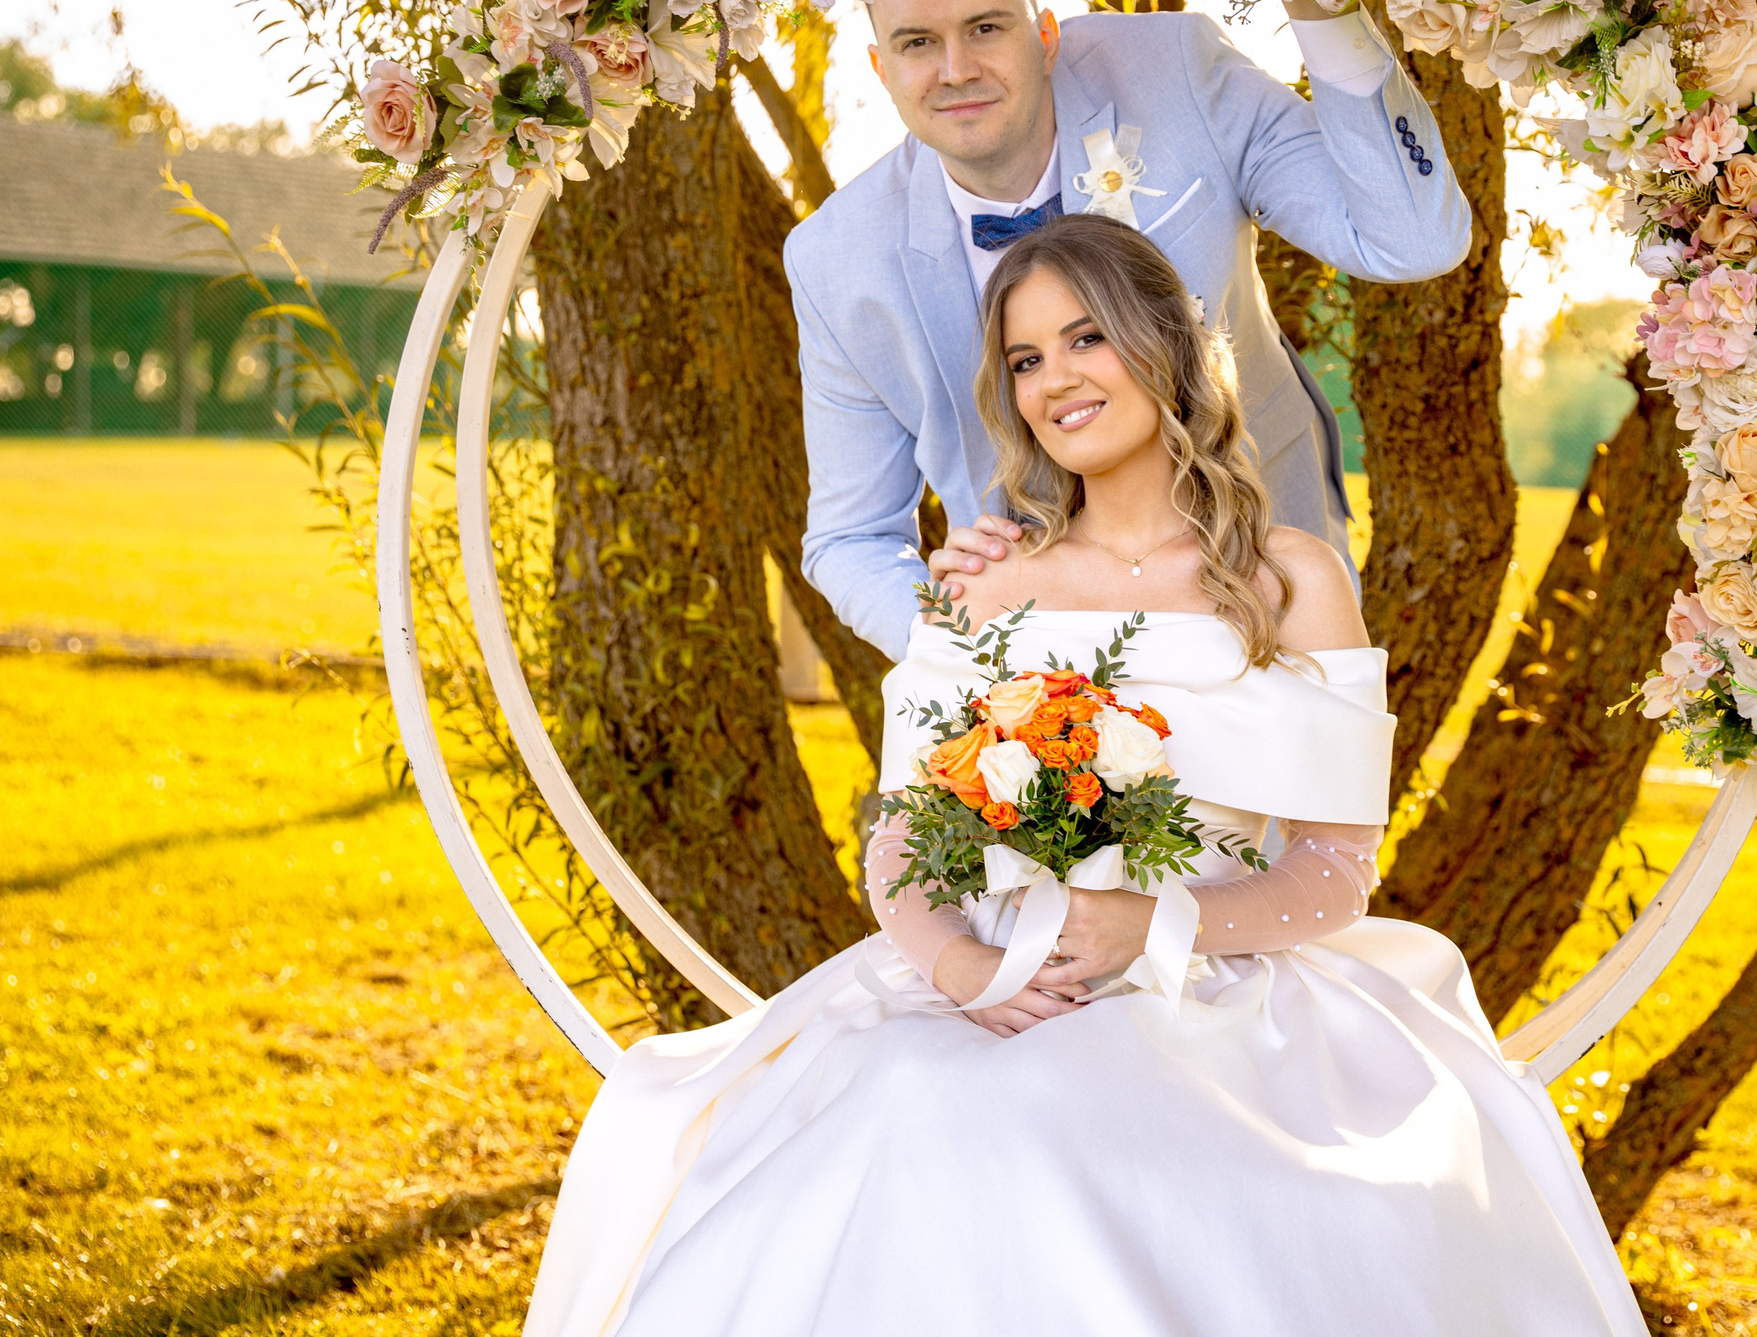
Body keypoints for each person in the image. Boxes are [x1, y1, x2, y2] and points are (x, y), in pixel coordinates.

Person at [524, 215, 1650, 1337]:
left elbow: (1335, 873)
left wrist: (1147, 925)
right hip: (994, 983)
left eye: (1084, 339)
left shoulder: (1291, 580)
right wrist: (965, 967)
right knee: (911, 1107)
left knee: (1102, 1141)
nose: (1054, 378)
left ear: (1161, 345)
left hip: (1214, 988)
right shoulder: (983, 585)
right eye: (1024, 359)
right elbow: (900, 841)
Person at [787, 0, 1469, 662]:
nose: (956, 70)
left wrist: (1322, 5)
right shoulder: (836, 259)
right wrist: (960, 648)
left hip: (1266, 583)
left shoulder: (1176, 71)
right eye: (917, 42)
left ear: (1045, 36)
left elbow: (1415, 241)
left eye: (985, 27)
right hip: (1038, 651)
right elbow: (850, 538)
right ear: (880, 68)